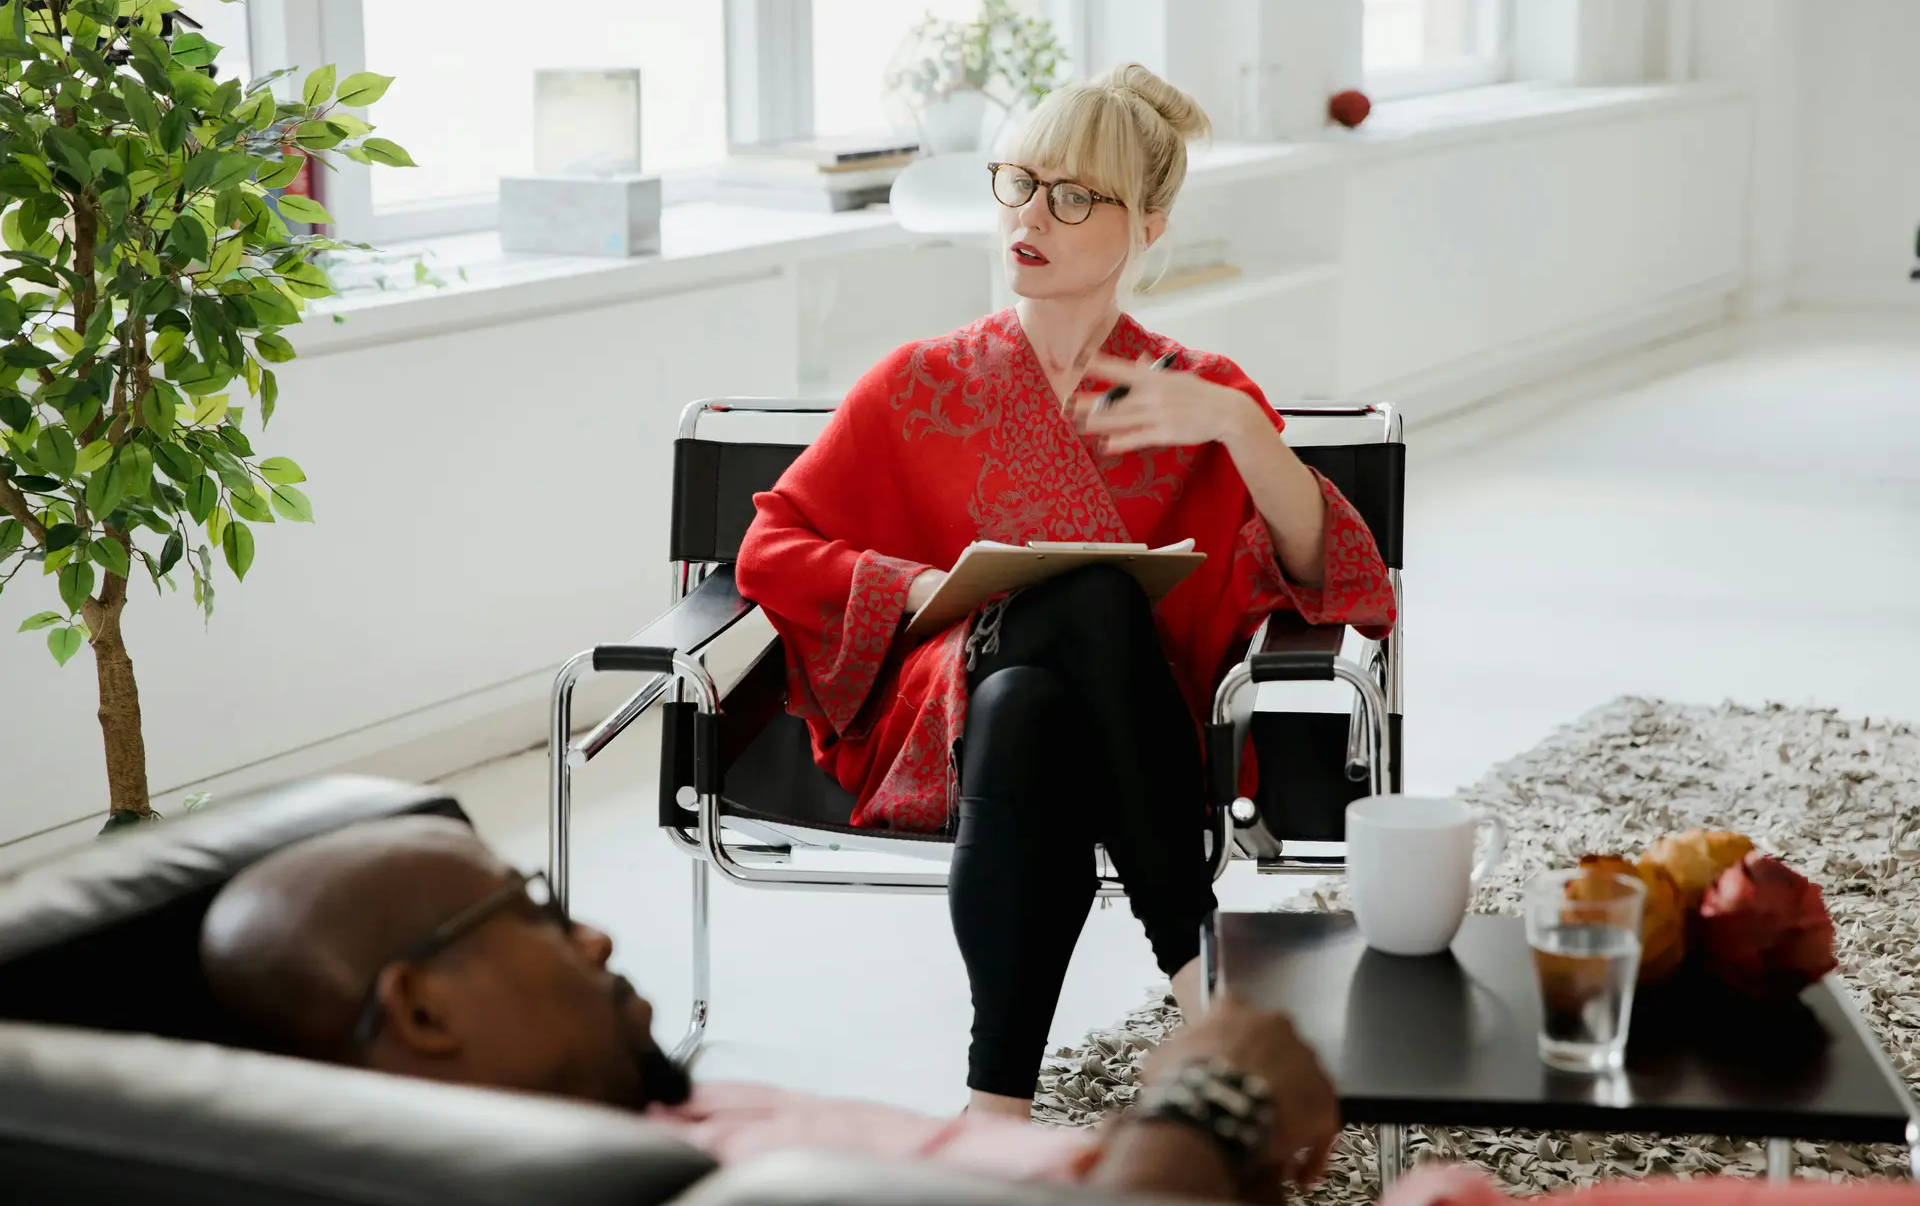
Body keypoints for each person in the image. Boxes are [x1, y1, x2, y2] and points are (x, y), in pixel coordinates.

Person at [732, 61, 1397, 1117]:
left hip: (1118, 734)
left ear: (1150, 222)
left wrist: (1238, 428)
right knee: (1075, 607)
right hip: (936, 715)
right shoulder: (919, 379)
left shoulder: (1199, 389)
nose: (1032, 216)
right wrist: (917, 590)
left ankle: (994, 1103)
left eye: (1074, 196)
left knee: (1035, 694)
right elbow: (774, 542)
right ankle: (1200, 978)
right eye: (1018, 183)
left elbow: (1330, 571)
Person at [199, 816, 1342, 1202]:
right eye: (536, 911)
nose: (592, 933)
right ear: (425, 1009)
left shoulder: (645, 1100)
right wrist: (1209, 1094)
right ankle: (1193, 964)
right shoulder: (726, 1187)